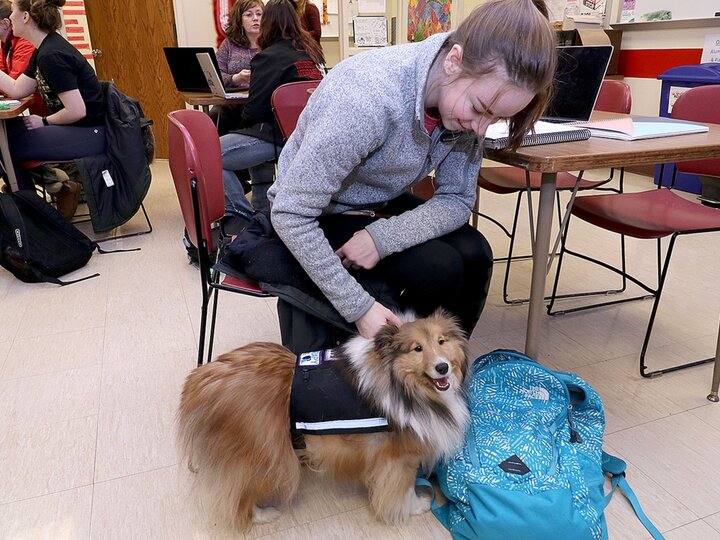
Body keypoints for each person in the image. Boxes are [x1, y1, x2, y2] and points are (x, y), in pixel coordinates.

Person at [268, 0, 557, 341]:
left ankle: (443, 366)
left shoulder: (467, 97)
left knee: (475, 253)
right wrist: (360, 308)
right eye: (481, 110)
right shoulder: (367, 98)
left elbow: (457, 200)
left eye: (496, 119)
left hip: (374, 200)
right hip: (317, 210)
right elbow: (290, 213)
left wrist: (382, 238)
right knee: (439, 267)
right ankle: (399, 366)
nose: (481, 130)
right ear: (453, 61)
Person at [0, 0, 105, 218]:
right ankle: (34, 211)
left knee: (9, 149)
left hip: (90, 132)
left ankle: (34, 218)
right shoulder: (43, 50)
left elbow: (77, 110)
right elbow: (18, 89)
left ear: (26, 16)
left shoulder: (51, 55)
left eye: (13, 12)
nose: (9, 18)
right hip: (80, 127)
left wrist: (45, 121)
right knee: (8, 136)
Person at [220, 0, 323, 218]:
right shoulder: (312, 53)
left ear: (268, 24)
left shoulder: (266, 58)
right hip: (309, 135)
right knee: (249, 136)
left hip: (277, 137)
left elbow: (253, 112)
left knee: (209, 155)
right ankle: (262, 209)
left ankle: (243, 219)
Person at [211, 0, 263, 136]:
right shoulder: (229, 44)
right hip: (230, 106)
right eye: (249, 15)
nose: (255, 18)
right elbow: (215, 75)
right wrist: (236, 78)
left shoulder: (271, 44)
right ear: (240, 19)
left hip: (259, 105)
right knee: (215, 115)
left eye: (259, 14)